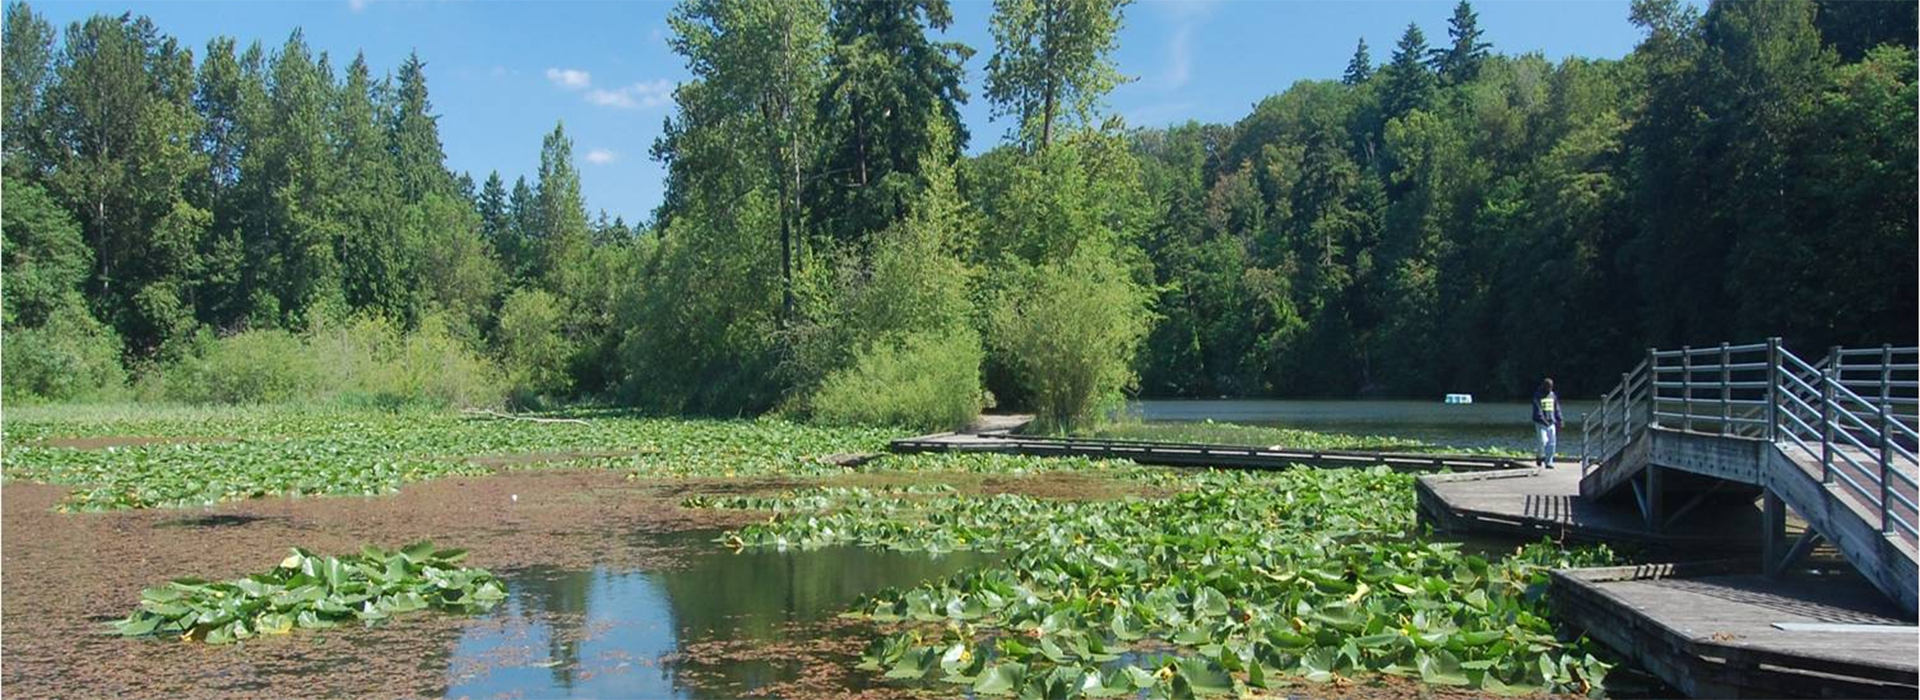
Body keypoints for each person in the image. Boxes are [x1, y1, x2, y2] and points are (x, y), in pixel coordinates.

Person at [1533, 378, 1564, 468]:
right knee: (1543, 441)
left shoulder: (1553, 395)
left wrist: (1560, 419)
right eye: (1548, 387)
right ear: (1544, 386)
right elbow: (1538, 411)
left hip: (1551, 423)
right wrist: (1543, 420)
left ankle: (1549, 462)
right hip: (1541, 423)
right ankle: (1539, 456)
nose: (1549, 389)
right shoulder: (1537, 395)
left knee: (1552, 443)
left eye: (1551, 387)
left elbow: (1557, 408)